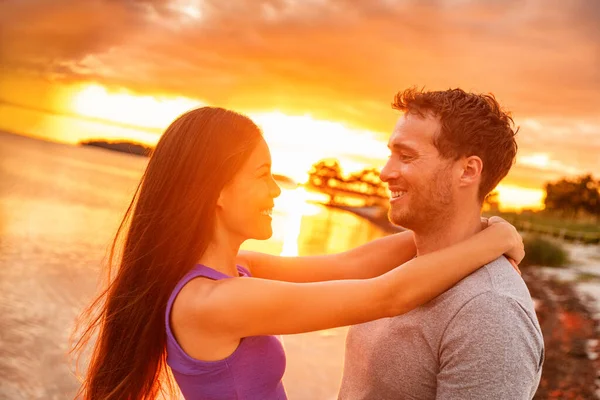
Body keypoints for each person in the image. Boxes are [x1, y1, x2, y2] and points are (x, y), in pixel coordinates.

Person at [72, 106, 524, 400]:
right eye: (263, 174)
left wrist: (452, 226)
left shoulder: (233, 274)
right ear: (216, 191)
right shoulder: (216, 303)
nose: (276, 191)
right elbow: (386, 296)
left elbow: (351, 264)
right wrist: (495, 239)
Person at [337, 88, 545, 400]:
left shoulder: (490, 312)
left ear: (467, 171)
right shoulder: (400, 263)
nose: (385, 173)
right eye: (390, 155)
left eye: (406, 156)